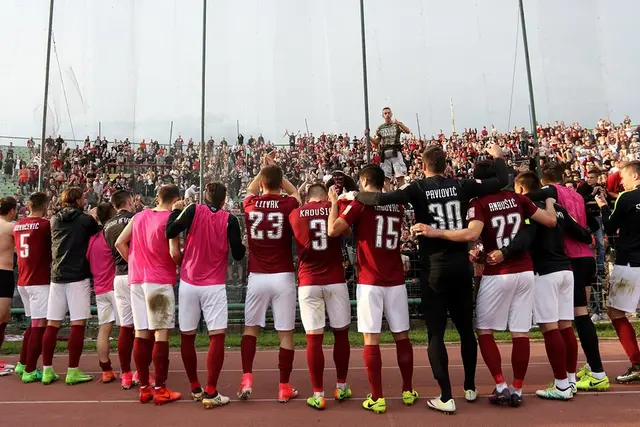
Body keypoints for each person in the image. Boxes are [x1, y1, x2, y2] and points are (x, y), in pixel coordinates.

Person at [353, 143, 508, 413]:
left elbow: (379, 199)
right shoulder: (462, 185)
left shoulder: (417, 188)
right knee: (465, 329)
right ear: (446, 165)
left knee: (435, 333)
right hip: (461, 264)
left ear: (423, 166)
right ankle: (470, 386)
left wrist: (350, 195)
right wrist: (498, 157)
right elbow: (502, 181)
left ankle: (445, 396)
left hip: (433, 266)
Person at [414, 159, 557, 408]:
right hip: (525, 270)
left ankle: (501, 385)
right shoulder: (518, 198)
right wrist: (551, 203)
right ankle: (518, 388)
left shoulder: (478, 203)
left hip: (498, 271)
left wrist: (435, 232)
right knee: (520, 332)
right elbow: (550, 222)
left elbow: (470, 234)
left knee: (484, 330)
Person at [328, 164, 417, 414]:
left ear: (365, 181)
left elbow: (334, 230)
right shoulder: (396, 205)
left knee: (371, 339)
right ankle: (408, 390)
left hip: (370, 280)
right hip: (395, 278)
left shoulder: (359, 205)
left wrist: (336, 202)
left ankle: (377, 397)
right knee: (402, 336)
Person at [527, 163, 610, 391]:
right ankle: (590, 370)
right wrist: (586, 234)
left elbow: (527, 196)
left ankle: (590, 373)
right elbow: (589, 224)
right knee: (579, 316)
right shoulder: (576, 194)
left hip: (568, 259)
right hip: (586, 258)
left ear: (544, 180)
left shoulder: (550, 193)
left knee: (569, 320)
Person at [511, 172, 592, 400]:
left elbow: (525, 238)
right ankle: (570, 381)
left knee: (550, 328)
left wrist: (507, 251)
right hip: (566, 270)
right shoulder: (557, 208)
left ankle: (561, 386)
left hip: (545, 272)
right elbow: (582, 233)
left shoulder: (530, 209)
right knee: (566, 326)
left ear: (520, 189)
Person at [165, 182, 246, 409]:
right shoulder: (230, 219)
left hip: (189, 282)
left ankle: (194, 387)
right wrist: (243, 247)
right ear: (224, 200)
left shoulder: (193, 210)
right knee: (217, 336)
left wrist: (174, 211)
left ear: (205, 197)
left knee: (187, 336)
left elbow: (170, 231)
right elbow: (238, 255)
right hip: (214, 285)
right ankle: (211, 391)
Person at [238, 159, 302, 403]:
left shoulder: (251, 203)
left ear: (262, 182)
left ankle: (246, 378)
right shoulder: (287, 203)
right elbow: (296, 192)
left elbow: (250, 191)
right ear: (279, 183)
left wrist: (262, 171)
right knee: (286, 333)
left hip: (257, 275)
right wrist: (277, 171)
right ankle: (283, 387)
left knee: (250, 329)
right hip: (283, 275)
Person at [115, 184, 182, 405]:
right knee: (161, 335)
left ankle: (144, 387)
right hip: (159, 281)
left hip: (137, 280)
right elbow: (174, 252)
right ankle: (161, 388)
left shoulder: (139, 216)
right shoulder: (171, 219)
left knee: (141, 334)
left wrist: (134, 262)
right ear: (175, 199)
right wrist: (181, 262)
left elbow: (119, 242)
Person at [289, 182, 352, 410]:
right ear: (326, 195)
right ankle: (341, 387)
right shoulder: (334, 206)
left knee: (313, 338)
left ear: (307, 196)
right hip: (335, 278)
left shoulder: (296, 213)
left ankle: (318, 393)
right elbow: (348, 231)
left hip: (308, 280)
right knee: (341, 334)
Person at [41, 187, 100, 385]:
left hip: (57, 275)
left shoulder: (54, 219)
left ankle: (47, 369)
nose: (85, 199)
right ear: (77, 200)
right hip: (78, 276)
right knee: (77, 323)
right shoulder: (85, 220)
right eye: (83, 197)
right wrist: (92, 216)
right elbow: (96, 232)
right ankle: (72, 370)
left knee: (53, 323)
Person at [596, 160, 640, 383]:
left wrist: (603, 205)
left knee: (615, 312)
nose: (621, 182)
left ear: (636, 177)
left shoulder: (627, 197)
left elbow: (610, 226)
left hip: (630, 264)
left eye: (624, 178)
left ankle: (637, 362)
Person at [103, 190, 141, 389]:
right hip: (136, 274)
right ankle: (141, 373)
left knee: (125, 327)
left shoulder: (107, 225)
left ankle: (125, 373)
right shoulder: (136, 218)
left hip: (118, 276)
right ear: (128, 201)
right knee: (144, 327)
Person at [13, 193, 51, 382]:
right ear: (45, 206)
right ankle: (29, 369)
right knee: (39, 326)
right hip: (39, 280)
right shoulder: (45, 225)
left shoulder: (18, 225)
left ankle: (22, 362)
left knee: (32, 324)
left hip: (22, 280)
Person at [86, 202, 117, 383]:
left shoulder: (92, 240)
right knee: (130, 330)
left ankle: (106, 369)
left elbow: (89, 260)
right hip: (115, 287)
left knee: (104, 329)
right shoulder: (111, 236)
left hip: (100, 288)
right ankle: (132, 371)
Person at [368, 107, 410, 190]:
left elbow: (408, 131)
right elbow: (377, 142)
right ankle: (387, 199)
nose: (387, 115)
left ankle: (401, 197)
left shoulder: (397, 124)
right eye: (385, 113)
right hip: (385, 153)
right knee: (385, 177)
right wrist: (368, 136)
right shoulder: (380, 128)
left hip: (396, 151)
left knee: (400, 176)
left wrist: (399, 123)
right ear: (383, 116)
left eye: (388, 113)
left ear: (391, 114)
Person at [0, 197, 17, 372]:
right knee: (0, 319)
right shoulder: (10, 227)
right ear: (12, 210)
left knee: (4, 319)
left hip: (5, 273)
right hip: (3, 273)